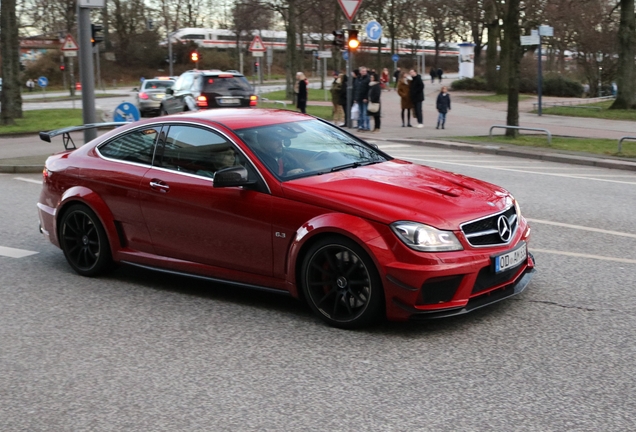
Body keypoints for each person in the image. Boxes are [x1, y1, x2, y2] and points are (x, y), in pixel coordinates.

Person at [354, 66, 371, 132]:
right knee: (360, 113)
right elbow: (356, 89)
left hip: (365, 98)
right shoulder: (358, 79)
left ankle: (367, 126)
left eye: (365, 71)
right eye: (363, 71)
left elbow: (369, 89)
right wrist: (355, 98)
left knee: (365, 113)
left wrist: (366, 97)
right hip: (359, 98)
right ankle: (361, 126)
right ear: (360, 72)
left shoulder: (368, 79)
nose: (364, 72)